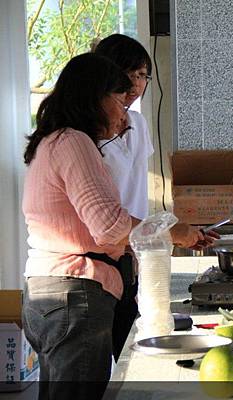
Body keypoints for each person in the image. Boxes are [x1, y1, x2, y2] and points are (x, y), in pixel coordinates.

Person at [21, 53, 213, 400]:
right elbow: (109, 226)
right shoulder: (73, 143)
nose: (126, 114)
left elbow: (98, 226)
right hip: (74, 294)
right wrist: (176, 231)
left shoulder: (54, 141)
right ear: (94, 97)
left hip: (53, 291)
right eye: (120, 101)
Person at [93, 33, 156, 362]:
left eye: (142, 75)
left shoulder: (139, 123)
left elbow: (136, 184)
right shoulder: (83, 133)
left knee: (127, 349)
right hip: (97, 255)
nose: (134, 85)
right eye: (126, 74)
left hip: (133, 251)